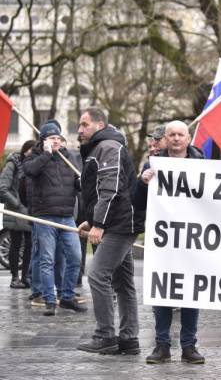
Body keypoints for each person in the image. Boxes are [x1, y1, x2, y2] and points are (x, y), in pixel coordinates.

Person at [134, 121, 206, 364]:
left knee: (191, 293)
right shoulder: (152, 165)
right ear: (164, 139)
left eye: (180, 134)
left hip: (194, 239)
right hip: (163, 240)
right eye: (171, 135)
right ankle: (162, 345)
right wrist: (142, 182)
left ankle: (189, 346)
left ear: (188, 138)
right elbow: (138, 202)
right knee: (162, 292)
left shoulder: (205, 166)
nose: (176, 138)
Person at [75, 107, 141, 356]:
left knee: (97, 274)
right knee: (123, 282)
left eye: (85, 124)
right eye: (79, 125)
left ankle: (105, 336)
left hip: (119, 224)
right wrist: (89, 220)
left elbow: (110, 189)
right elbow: (96, 191)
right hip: (120, 221)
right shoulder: (101, 148)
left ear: (100, 125)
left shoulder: (108, 148)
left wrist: (99, 224)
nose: (80, 130)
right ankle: (129, 339)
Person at [22, 121, 86, 317]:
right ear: (43, 141)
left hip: (67, 217)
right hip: (45, 216)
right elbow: (30, 171)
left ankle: (66, 296)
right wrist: (47, 154)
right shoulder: (35, 157)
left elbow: (77, 185)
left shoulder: (69, 157)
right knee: (47, 260)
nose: (56, 141)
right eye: (52, 138)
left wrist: (83, 182)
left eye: (58, 138)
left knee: (75, 257)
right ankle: (50, 300)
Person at [0, 140, 35, 289]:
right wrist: (16, 204)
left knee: (30, 245)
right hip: (15, 211)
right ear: (25, 149)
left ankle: (25, 276)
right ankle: (15, 278)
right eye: (31, 150)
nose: (32, 153)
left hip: (30, 210)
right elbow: (2, 187)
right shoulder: (12, 163)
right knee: (15, 244)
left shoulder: (33, 165)